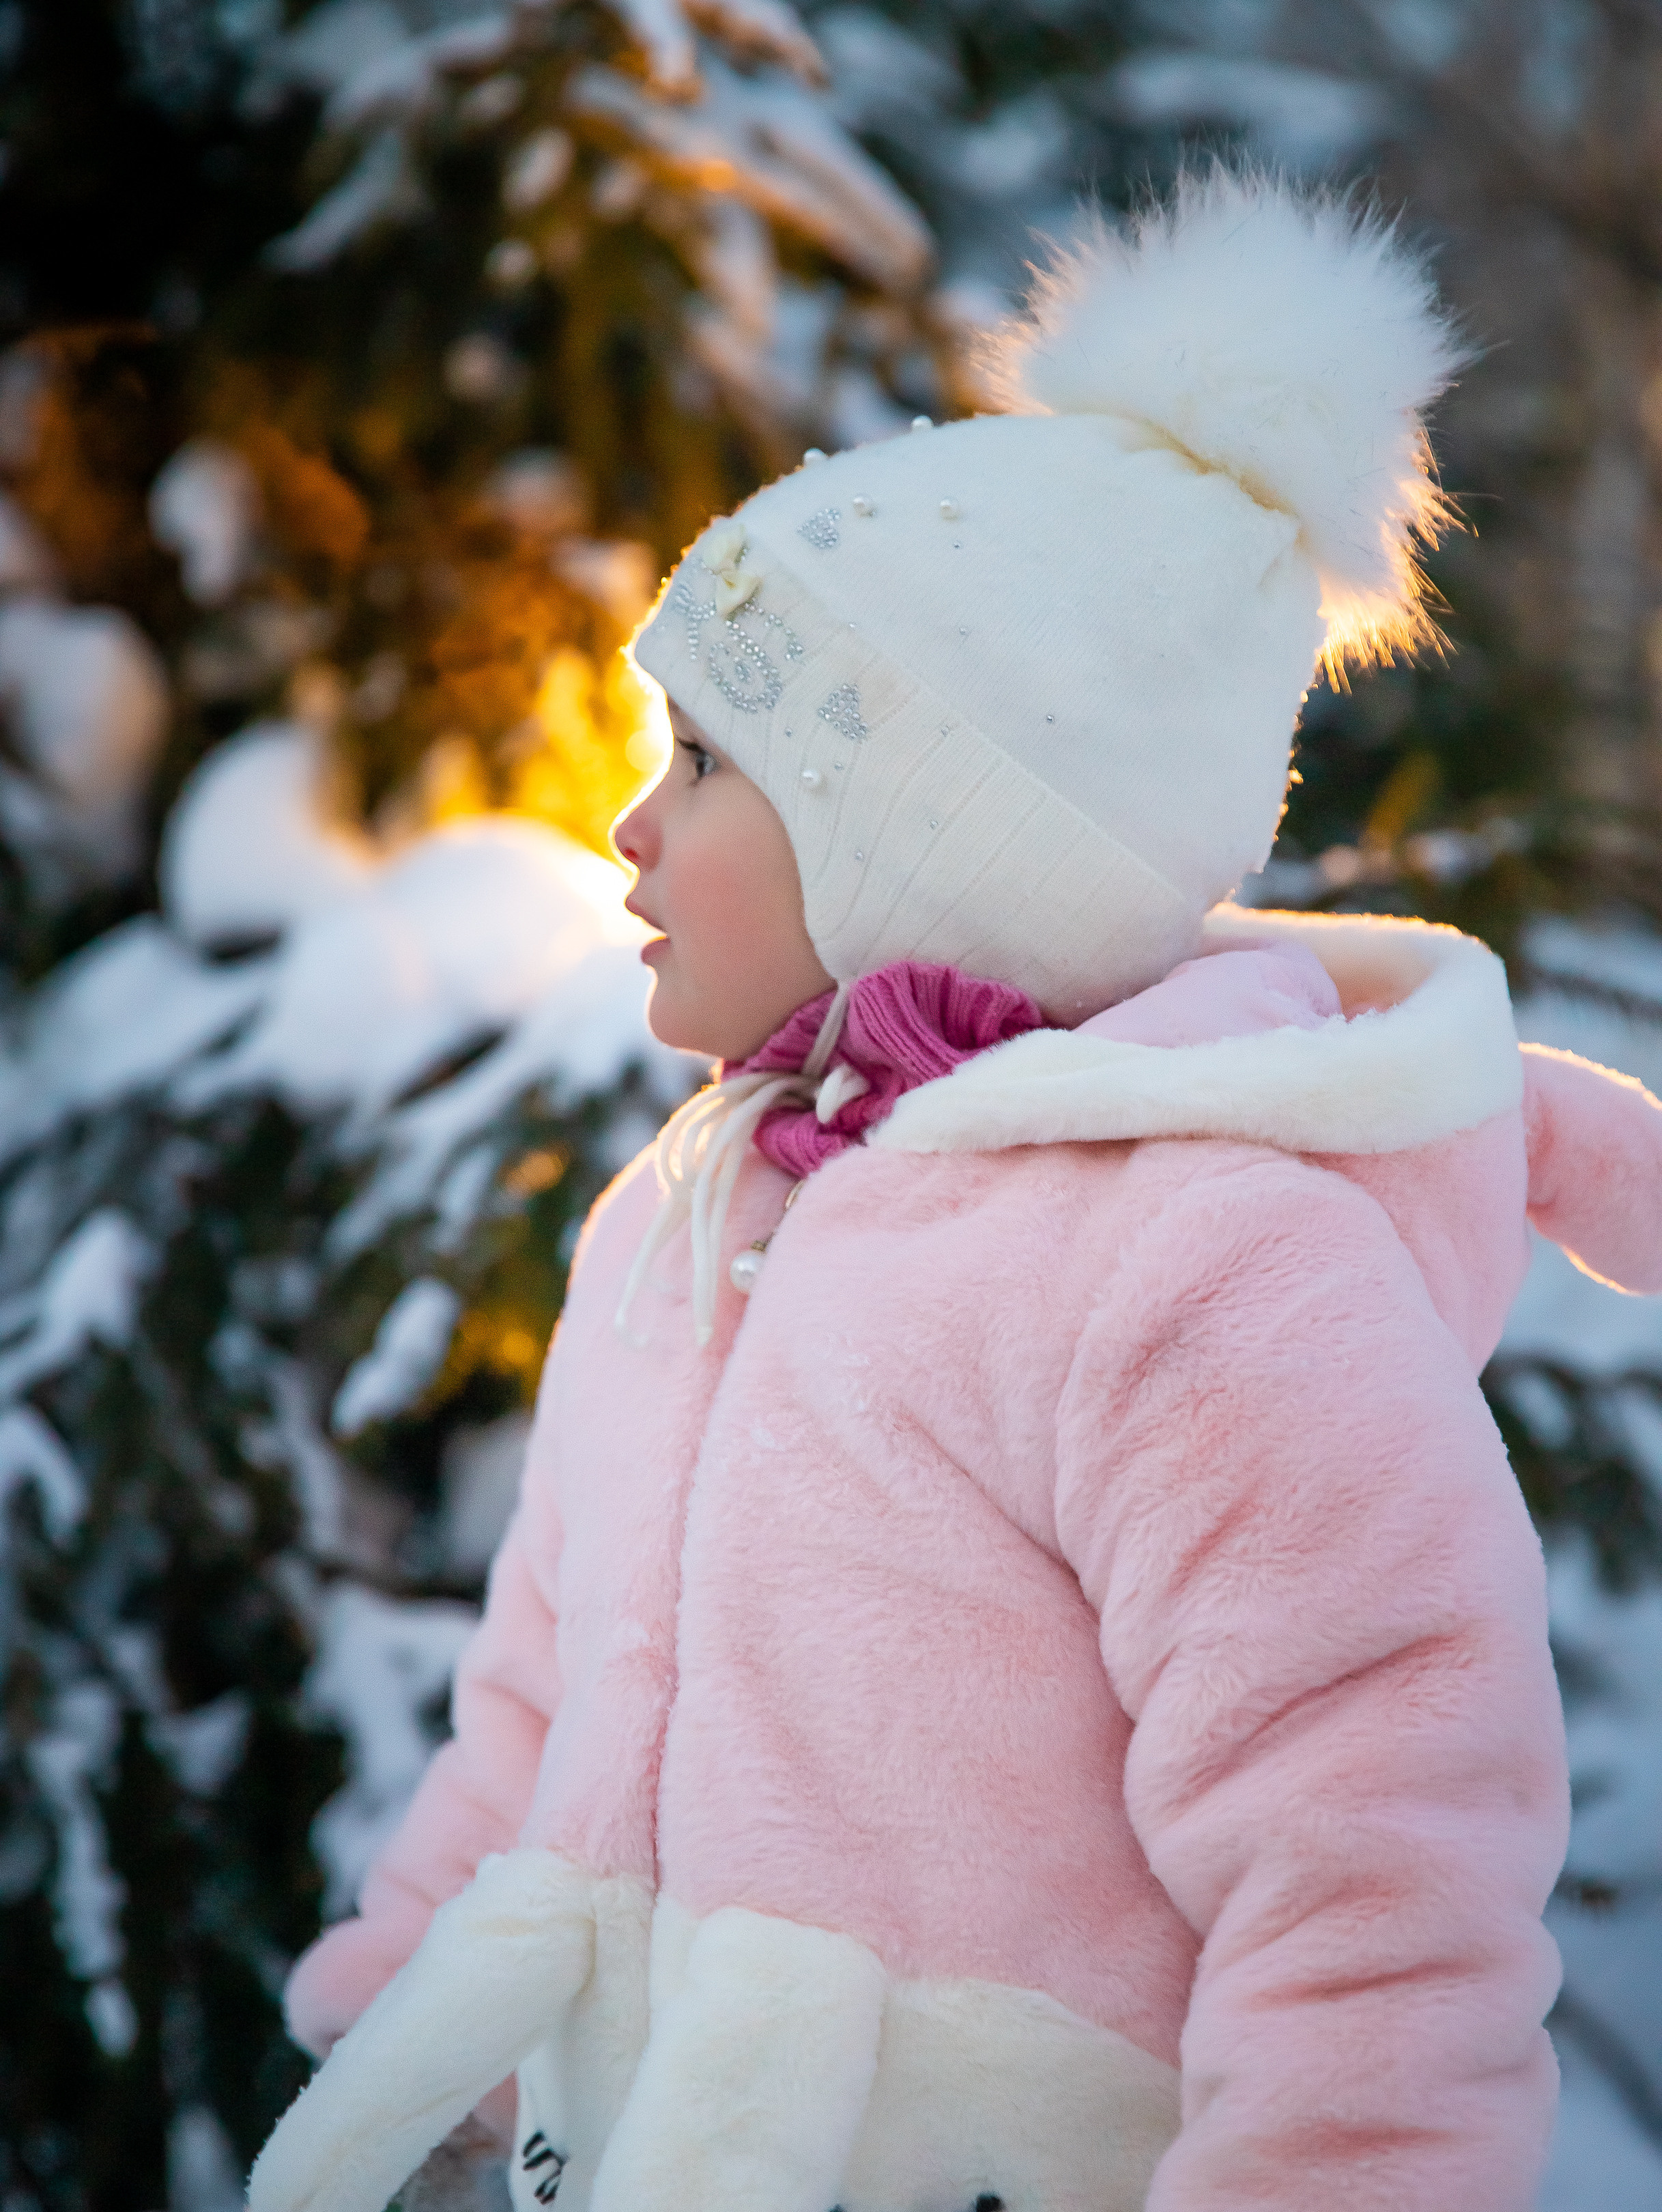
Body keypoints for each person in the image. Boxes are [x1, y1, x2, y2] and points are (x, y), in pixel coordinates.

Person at [248, 169, 1662, 2212]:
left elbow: (1374, 1826)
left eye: (706, 762)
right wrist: (427, 1970)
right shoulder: (683, 1210)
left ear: (923, 836)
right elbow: (556, 1673)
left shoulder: (1186, 1259)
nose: (629, 831)